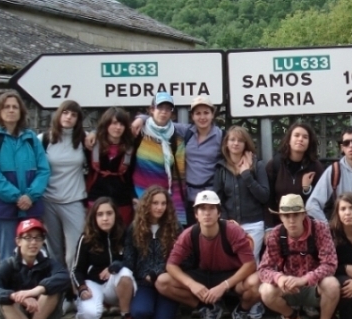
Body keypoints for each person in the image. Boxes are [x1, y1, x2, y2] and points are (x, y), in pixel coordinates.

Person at [156, 190, 259, 319]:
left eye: (211, 208)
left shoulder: (232, 231)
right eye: (202, 209)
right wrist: (192, 285)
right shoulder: (189, 234)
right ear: (196, 214)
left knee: (256, 282)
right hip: (204, 275)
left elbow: (250, 264)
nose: (207, 213)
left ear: (218, 213)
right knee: (162, 282)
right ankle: (208, 309)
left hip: (232, 275)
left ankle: (241, 312)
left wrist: (224, 286)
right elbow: (171, 265)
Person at [258, 194, 342, 319]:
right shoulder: (276, 234)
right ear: (280, 217)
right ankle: (291, 317)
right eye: (287, 216)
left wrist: (304, 279)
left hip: (315, 286)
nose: (291, 220)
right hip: (288, 287)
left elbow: (330, 264)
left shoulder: (320, 229)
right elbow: (263, 269)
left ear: (303, 214)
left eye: (295, 215)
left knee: (332, 284)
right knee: (265, 290)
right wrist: (279, 278)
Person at [0, 90, 50, 260]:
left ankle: (31, 287)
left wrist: (31, 195)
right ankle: (10, 287)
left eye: (15, 107)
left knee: (33, 254)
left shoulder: (31, 137)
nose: (11, 110)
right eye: (6, 107)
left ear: (21, 111)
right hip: (2, 207)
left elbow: (44, 170)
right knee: (9, 255)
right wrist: (16, 196)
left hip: (31, 206)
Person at [133, 95, 223, 224]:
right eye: (198, 113)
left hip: (212, 195)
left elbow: (238, 143)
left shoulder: (222, 136)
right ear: (192, 116)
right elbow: (160, 121)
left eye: (206, 113)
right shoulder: (186, 131)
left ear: (212, 114)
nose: (202, 117)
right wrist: (141, 119)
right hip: (189, 197)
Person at [71, 197, 140, 319]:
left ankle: (125, 316)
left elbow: (132, 261)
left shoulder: (124, 234)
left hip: (116, 284)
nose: (105, 218)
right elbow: (76, 270)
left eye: (109, 213)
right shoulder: (86, 238)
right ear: (94, 217)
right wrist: (82, 288)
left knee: (125, 273)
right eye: (100, 214)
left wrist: (114, 267)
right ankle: (95, 315)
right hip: (94, 283)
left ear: (115, 215)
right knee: (90, 315)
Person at [124, 185, 181, 319]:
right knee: (141, 313)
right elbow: (129, 259)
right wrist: (144, 274)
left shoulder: (175, 227)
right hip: (144, 283)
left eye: (163, 203)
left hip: (167, 282)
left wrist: (160, 273)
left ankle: (168, 313)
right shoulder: (135, 228)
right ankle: (146, 314)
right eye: (155, 203)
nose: (159, 207)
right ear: (147, 204)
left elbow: (182, 258)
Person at [40, 100, 88, 269]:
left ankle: (75, 290)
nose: (68, 117)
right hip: (48, 201)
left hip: (74, 201)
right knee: (55, 252)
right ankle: (58, 291)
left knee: (75, 252)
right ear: (58, 114)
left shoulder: (84, 139)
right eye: (65, 112)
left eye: (73, 115)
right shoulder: (44, 140)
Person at [213, 125, 269, 260]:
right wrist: (227, 220)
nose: (236, 143)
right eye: (232, 139)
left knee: (249, 261)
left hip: (254, 224)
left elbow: (265, 196)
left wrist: (246, 175)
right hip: (230, 225)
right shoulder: (221, 168)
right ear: (226, 143)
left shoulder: (257, 165)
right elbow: (217, 199)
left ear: (246, 144)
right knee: (232, 262)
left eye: (240, 140)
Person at [131, 92, 187, 226]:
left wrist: (177, 210)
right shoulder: (138, 132)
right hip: (140, 198)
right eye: (160, 108)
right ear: (151, 110)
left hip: (165, 201)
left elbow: (179, 177)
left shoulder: (176, 139)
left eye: (168, 109)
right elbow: (112, 133)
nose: (164, 112)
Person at [265, 121, 325, 225]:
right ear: (289, 140)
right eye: (296, 135)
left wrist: (306, 189)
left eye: (305, 137)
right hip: (280, 224)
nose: (300, 139)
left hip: (308, 225)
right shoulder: (275, 164)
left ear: (309, 142)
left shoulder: (315, 167)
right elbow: (268, 200)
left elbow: (321, 200)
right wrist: (269, 227)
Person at [87, 107, 135, 226]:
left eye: (121, 124)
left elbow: (133, 175)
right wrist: (93, 132)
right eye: (114, 123)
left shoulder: (131, 148)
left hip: (122, 201)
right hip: (96, 198)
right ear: (106, 124)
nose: (118, 128)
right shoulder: (92, 145)